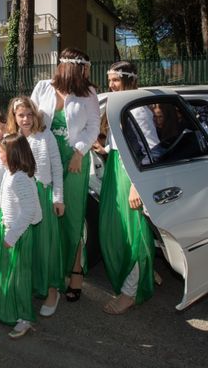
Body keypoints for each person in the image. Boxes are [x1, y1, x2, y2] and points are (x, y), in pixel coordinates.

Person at [30, 48, 100, 302]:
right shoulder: (42, 87)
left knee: (72, 217)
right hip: (44, 158)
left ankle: (76, 271)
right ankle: (48, 274)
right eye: (86, 68)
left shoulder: (89, 93)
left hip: (74, 161)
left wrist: (79, 153)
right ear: (75, 68)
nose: (88, 73)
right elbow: (31, 120)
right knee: (47, 215)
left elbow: (93, 126)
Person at [93, 60, 159, 315]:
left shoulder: (137, 109)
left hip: (129, 175)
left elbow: (150, 149)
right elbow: (122, 143)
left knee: (132, 234)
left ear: (129, 80)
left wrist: (136, 186)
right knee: (116, 230)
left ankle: (130, 291)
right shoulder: (118, 105)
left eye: (115, 80)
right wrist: (105, 149)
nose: (111, 84)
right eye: (109, 80)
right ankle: (143, 274)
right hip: (115, 171)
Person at [6, 96, 65, 317]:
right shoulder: (12, 138)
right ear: (14, 117)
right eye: (21, 115)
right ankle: (30, 286)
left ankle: (52, 290)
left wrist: (58, 198)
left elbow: (57, 167)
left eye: (30, 114)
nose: (26, 119)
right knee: (27, 245)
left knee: (46, 245)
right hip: (22, 198)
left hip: (43, 194)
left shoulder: (45, 136)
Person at [0, 133, 42, 338]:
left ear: (13, 154)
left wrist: (11, 237)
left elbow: (28, 211)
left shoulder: (20, 179)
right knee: (5, 273)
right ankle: (4, 309)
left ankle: (24, 318)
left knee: (19, 277)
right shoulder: (9, 173)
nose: (0, 156)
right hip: (9, 228)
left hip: (18, 233)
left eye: (2, 152)